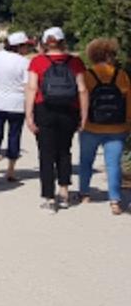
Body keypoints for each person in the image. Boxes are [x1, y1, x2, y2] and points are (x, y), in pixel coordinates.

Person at [25, 27, 88, 213]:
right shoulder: (75, 62)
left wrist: (29, 115)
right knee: (64, 151)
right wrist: (84, 116)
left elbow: (32, 88)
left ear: (45, 42)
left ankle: (49, 197)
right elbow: (82, 90)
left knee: (46, 153)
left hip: (44, 109)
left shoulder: (37, 61)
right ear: (63, 41)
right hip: (69, 110)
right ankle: (64, 192)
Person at [78, 37, 131, 215]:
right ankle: (115, 200)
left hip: (90, 126)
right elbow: (129, 101)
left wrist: (80, 120)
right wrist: (128, 121)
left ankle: (84, 193)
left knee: (86, 161)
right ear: (109, 55)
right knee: (113, 164)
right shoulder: (121, 75)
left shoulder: (87, 75)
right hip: (117, 127)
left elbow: (81, 99)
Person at [0, 31, 31, 183]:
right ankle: (11, 170)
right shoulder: (24, 62)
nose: (28, 49)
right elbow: (27, 86)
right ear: (19, 46)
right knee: (14, 136)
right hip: (17, 104)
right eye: (26, 46)